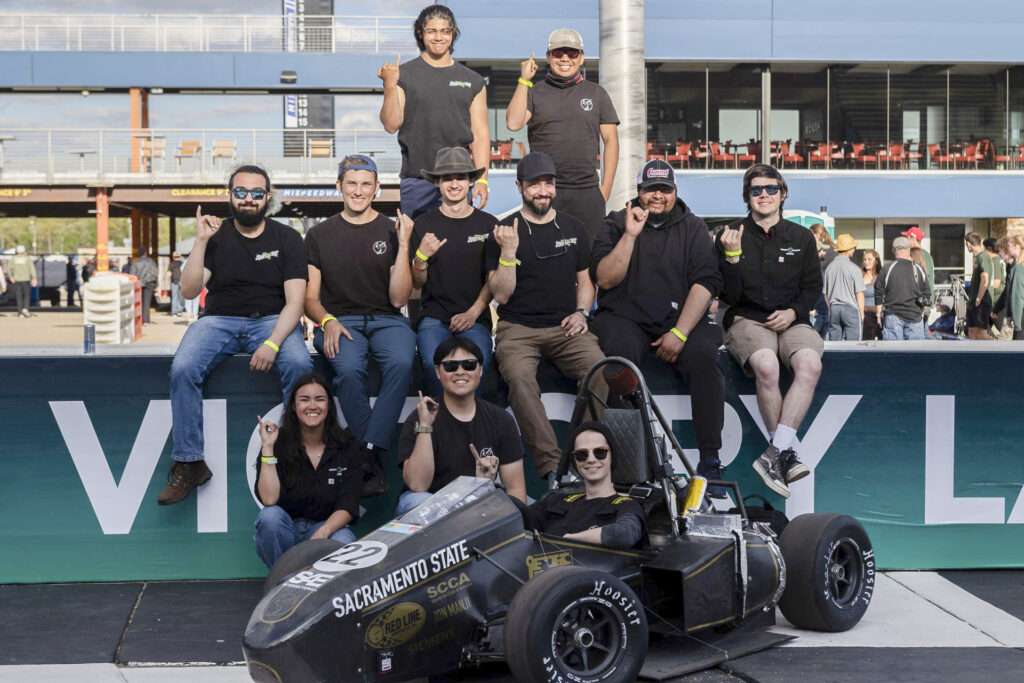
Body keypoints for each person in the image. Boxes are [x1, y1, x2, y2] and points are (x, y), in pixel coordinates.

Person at [159, 164, 313, 506]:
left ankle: (292, 454)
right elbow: (187, 291)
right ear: (230, 196)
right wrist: (200, 241)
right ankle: (189, 462)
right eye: (240, 192)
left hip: (272, 319)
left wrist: (273, 343)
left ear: (267, 199)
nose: (248, 199)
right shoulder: (216, 237)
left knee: (300, 364)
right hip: (219, 320)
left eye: (256, 193)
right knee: (183, 368)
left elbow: (296, 302)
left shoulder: (287, 238)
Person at [591, 159, 727, 495]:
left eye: (664, 189)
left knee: (705, 355)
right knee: (618, 355)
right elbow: (605, 278)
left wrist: (680, 333)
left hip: (678, 320)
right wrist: (630, 234)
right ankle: (630, 455)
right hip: (626, 318)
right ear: (638, 192)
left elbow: (707, 281)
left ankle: (710, 459)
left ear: (674, 191)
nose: (657, 196)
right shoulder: (614, 222)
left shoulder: (693, 226)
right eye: (651, 189)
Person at [486, 152, 606, 482]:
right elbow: (500, 295)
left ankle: (583, 453)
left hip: (566, 325)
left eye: (548, 184)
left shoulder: (574, 227)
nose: (542, 190)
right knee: (521, 380)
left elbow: (586, 281)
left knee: (599, 369)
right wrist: (508, 253)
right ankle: (552, 467)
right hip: (518, 328)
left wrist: (582, 312)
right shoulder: (503, 230)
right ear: (519, 186)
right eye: (534, 184)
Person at [304, 155, 415, 494]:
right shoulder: (319, 234)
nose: (358, 190)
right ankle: (372, 455)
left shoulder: (391, 230)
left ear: (377, 189)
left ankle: (366, 453)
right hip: (340, 320)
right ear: (339, 186)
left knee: (401, 361)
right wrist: (327, 321)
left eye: (366, 184)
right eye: (351, 183)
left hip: (386, 319)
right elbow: (309, 298)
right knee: (349, 369)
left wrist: (405, 244)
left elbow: (399, 299)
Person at [718, 164, 822, 499]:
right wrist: (731, 260)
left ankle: (775, 454)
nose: (764, 195)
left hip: (793, 319)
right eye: (756, 190)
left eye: (771, 188)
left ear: (783, 193)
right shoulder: (730, 234)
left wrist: (793, 312)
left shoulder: (802, 237)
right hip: (747, 319)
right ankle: (784, 455)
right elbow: (727, 296)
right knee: (766, 365)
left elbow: (813, 289)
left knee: (810, 364)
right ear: (747, 197)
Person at [505, 28, 619, 243]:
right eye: (558, 53)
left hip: (586, 190)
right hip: (546, 189)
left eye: (572, 53)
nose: (565, 58)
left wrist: (606, 188)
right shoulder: (534, 90)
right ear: (548, 57)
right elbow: (513, 123)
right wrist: (523, 80)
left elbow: (611, 141)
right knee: (546, 255)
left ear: (582, 58)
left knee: (590, 258)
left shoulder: (597, 93)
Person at [379, 4, 490, 218]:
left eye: (445, 31)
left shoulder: (473, 80)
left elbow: (480, 134)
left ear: (453, 33)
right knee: (415, 246)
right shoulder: (404, 75)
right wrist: (390, 85)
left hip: (458, 178)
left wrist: (483, 180)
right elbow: (391, 125)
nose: (438, 37)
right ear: (421, 33)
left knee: (457, 248)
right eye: (432, 31)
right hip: (417, 179)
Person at [395, 337, 526, 515]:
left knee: (524, 507)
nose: (460, 371)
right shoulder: (420, 417)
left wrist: (484, 488)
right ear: (437, 371)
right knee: (416, 502)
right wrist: (425, 426)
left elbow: (516, 490)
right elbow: (418, 486)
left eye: (469, 365)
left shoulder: (501, 419)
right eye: (451, 366)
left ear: (480, 369)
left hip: (479, 503)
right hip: (433, 508)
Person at [410, 147, 497, 395]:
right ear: (437, 183)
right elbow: (417, 282)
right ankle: (440, 428)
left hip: (475, 318)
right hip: (433, 319)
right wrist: (421, 257)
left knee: (476, 366)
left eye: (460, 177)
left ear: (471, 181)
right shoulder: (423, 224)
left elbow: (494, 280)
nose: (454, 183)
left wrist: (472, 313)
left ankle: (471, 428)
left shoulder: (488, 224)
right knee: (432, 363)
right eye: (447, 178)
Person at [253, 374, 362, 569]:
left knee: (344, 539)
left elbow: (349, 504)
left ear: (329, 406)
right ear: (294, 406)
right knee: (270, 518)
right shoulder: (278, 443)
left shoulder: (348, 446)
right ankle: (282, 583)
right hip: (287, 530)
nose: (312, 406)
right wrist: (268, 447)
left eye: (320, 399)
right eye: (304, 400)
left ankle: (325, 595)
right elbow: (269, 500)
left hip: (326, 527)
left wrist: (323, 532)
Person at [528, 421, 644, 549]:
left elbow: (625, 534)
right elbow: (516, 519)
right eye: (581, 454)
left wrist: (567, 541)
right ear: (575, 460)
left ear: (612, 456)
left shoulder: (626, 505)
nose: (591, 459)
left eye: (600, 452)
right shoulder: (555, 501)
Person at [875, 237, 930, 341]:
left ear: (893, 250)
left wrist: (878, 314)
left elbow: (878, 293)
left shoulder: (887, 269)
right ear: (909, 250)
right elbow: (926, 293)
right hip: (915, 317)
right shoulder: (919, 269)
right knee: (915, 354)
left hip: (892, 316)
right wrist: (920, 312)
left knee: (893, 353)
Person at [823, 234, 864, 341]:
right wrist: (862, 313)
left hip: (834, 308)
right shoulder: (854, 268)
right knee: (853, 346)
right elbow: (859, 294)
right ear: (848, 249)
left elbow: (826, 295)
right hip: (851, 309)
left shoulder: (829, 268)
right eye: (853, 247)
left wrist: (830, 309)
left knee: (835, 345)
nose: (854, 250)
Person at [992, 235, 1024, 340]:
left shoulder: (1018, 267)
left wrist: (1016, 319)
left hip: (1019, 316)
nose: (999, 255)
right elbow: (1008, 290)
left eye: (1000, 251)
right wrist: (996, 309)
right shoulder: (1012, 267)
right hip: (1015, 315)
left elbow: (1017, 295)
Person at [965, 231, 994, 340]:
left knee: (981, 334)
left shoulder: (983, 256)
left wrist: (978, 298)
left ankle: (995, 352)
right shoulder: (977, 257)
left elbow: (985, 279)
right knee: (971, 332)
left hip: (982, 302)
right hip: (973, 301)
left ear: (968, 244)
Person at [808, 224, 835, 338]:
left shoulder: (814, 262)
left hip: (819, 308)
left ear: (816, 235)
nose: (823, 252)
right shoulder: (834, 251)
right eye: (821, 250)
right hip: (822, 308)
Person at [984, 237, 1009, 339]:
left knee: (998, 329)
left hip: (997, 299)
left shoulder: (994, 261)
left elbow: (996, 283)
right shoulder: (1000, 260)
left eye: (985, 248)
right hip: (999, 299)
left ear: (989, 249)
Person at [902, 226, 934, 299]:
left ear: (913, 239)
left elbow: (926, 279)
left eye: (907, 238)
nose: (906, 241)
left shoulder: (924, 256)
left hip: (923, 302)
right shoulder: (924, 255)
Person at [909, 246, 933, 336]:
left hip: (919, 308)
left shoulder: (917, 272)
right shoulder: (923, 271)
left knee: (922, 334)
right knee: (925, 333)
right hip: (923, 307)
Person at [7, 245, 36, 318]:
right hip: (26, 279)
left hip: (17, 279)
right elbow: (32, 268)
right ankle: (25, 308)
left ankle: (20, 312)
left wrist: (11, 276)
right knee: (26, 295)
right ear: (24, 251)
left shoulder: (13, 259)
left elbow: (8, 268)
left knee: (18, 296)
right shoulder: (27, 258)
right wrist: (34, 278)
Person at [132, 247, 158, 326]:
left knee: (138, 303)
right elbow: (155, 273)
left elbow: (132, 274)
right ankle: (146, 321)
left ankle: (138, 320)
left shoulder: (135, 262)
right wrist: (156, 284)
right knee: (146, 302)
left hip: (139, 284)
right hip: (149, 284)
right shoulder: (151, 262)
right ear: (145, 253)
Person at [861, 249, 882, 340]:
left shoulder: (882, 276)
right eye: (865, 259)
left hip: (881, 315)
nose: (866, 262)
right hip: (866, 316)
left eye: (869, 259)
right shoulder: (860, 276)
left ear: (876, 261)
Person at [167, 250, 184, 316]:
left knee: (174, 296)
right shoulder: (183, 263)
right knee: (181, 297)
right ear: (180, 257)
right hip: (182, 282)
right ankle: (180, 310)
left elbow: (168, 274)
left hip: (174, 281)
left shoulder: (171, 264)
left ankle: (174, 312)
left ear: (173, 257)